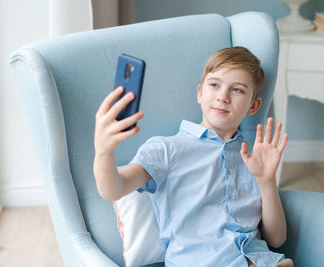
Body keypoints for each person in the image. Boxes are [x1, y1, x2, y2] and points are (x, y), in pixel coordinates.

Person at [94, 47, 293, 267]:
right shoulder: (165, 150)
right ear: (200, 93)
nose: (223, 96)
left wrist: (266, 181)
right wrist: (103, 151)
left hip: (261, 261)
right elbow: (112, 189)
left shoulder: (255, 160)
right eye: (214, 85)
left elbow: (276, 239)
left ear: (253, 106)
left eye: (237, 90)